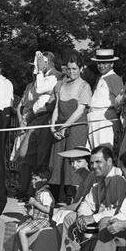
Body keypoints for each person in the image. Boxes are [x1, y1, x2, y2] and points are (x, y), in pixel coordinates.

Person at [46, 147, 97, 251]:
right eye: (72, 162)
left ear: (88, 162)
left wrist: (63, 208)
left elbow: (80, 204)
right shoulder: (82, 178)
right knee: (58, 217)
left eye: (78, 161)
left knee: (63, 217)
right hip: (81, 210)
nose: (74, 165)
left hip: (88, 212)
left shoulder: (90, 177)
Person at [15, 51, 60, 197]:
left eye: (39, 63)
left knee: (41, 156)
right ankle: (27, 189)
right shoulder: (43, 77)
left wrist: (40, 71)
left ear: (46, 62)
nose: (36, 67)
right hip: (35, 118)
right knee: (26, 154)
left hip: (45, 118)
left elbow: (40, 89)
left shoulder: (56, 76)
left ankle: (37, 192)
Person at [48, 54, 93, 201]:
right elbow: (56, 107)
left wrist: (65, 127)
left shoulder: (84, 86)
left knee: (72, 162)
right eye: (69, 68)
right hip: (60, 127)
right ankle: (55, 199)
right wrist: (53, 127)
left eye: (75, 68)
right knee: (57, 161)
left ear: (81, 68)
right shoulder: (61, 85)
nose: (72, 72)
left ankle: (71, 198)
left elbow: (80, 110)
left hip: (76, 127)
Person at [8, 178, 55, 251]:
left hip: (43, 220)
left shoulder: (45, 193)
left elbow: (49, 210)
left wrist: (35, 203)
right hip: (36, 218)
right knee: (18, 229)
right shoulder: (38, 192)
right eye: (32, 178)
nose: (32, 181)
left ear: (44, 180)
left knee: (22, 231)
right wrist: (30, 207)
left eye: (35, 179)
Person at [87, 49, 124, 149]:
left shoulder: (114, 78)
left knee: (103, 150)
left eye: (105, 63)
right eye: (99, 63)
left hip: (104, 120)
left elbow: (121, 101)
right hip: (94, 119)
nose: (101, 66)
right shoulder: (100, 77)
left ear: (112, 64)